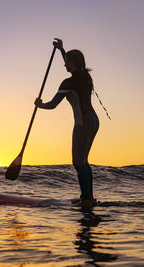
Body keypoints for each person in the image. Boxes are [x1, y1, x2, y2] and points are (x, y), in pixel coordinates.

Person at [34, 38, 99, 209]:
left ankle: (87, 199)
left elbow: (53, 105)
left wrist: (40, 105)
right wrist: (63, 50)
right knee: (83, 160)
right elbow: (72, 65)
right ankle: (88, 197)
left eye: (67, 63)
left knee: (78, 161)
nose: (64, 65)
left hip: (82, 123)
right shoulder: (85, 76)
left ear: (74, 63)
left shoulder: (68, 82)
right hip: (93, 120)